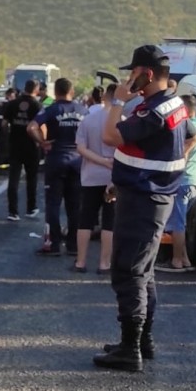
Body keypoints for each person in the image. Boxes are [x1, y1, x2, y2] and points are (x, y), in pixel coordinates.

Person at [94, 45, 196, 372]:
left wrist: (118, 101)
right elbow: (187, 139)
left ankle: (130, 348)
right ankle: (141, 341)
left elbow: (110, 136)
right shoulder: (174, 104)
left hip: (144, 200)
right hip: (147, 193)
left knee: (129, 272)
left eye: (133, 73)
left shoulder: (153, 109)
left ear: (146, 74)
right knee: (144, 271)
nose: (128, 78)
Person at [157, 93, 196, 273]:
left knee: (177, 223)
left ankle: (175, 261)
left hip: (182, 180)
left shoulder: (183, 127)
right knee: (180, 221)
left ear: (183, 109)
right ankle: (184, 259)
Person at [28, 77, 85, 255]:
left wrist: (42, 142)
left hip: (56, 159)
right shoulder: (84, 110)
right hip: (77, 161)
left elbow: (31, 127)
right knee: (74, 205)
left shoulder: (51, 109)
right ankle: (73, 246)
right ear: (72, 91)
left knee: (53, 204)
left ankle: (54, 244)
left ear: (56, 92)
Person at [74, 86, 117, 273]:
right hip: (113, 178)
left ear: (105, 97)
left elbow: (81, 148)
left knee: (86, 219)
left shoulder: (88, 120)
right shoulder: (121, 122)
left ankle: (80, 262)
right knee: (110, 221)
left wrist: (99, 160)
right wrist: (109, 163)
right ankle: (104, 263)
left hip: (90, 176)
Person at [0, 79, 42, 220]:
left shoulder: (12, 103)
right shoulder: (37, 105)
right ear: (36, 89)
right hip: (31, 146)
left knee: (14, 178)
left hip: (15, 144)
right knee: (32, 178)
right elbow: (41, 127)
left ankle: (13, 211)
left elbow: (4, 124)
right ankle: (31, 208)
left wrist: (8, 138)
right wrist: (41, 142)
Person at [0, 88, 16, 170]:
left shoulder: (6, 104)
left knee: (6, 147)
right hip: (3, 129)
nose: (11, 97)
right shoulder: (4, 104)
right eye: (11, 95)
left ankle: (5, 165)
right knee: (3, 147)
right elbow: (1, 119)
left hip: (6, 129)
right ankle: (2, 166)